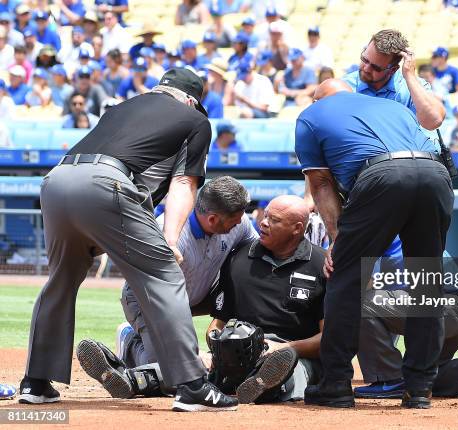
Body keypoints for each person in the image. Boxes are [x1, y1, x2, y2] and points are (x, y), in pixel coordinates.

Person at [20, 68, 239, 412]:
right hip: (106, 181)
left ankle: (35, 382)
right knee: (165, 275)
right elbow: (184, 184)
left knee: (61, 281)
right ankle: (193, 386)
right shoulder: (194, 119)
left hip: (57, 179)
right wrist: (169, 239)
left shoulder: (121, 108)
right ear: (190, 100)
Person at [295, 79, 453, 409]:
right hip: (435, 173)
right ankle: (420, 388)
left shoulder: (311, 115)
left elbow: (321, 184)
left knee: (347, 277)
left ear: (317, 97)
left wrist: (338, 239)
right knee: (426, 281)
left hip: (382, 176)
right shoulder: (392, 106)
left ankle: (336, 384)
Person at [76, 177, 257, 398]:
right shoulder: (166, 234)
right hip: (151, 300)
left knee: (188, 368)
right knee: (176, 376)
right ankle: (130, 342)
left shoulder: (239, 224)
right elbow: (161, 301)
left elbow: (253, 252)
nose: (240, 223)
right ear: (212, 218)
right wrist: (192, 355)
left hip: (200, 294)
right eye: (234, 221)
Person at [208, 195, 326, 403]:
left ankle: (262, 385)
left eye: (275, 220)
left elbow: (330, 338)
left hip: (294, 354)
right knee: (191, 365)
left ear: (297, 228)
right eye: (266, 215)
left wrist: (285, 348)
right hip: (240, 351)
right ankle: (141, 378)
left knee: (293, 372)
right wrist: (217, 346)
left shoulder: (322, 265)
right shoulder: (238, 258)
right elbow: (219, 321)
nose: (263, 222)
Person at [343, 29, 445, 132]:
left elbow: (433, 121)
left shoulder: (413, 87)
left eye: (375, 67)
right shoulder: (344, 86)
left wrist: (409, 76)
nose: (366, 69)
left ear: (392, 70)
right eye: (364, 60)